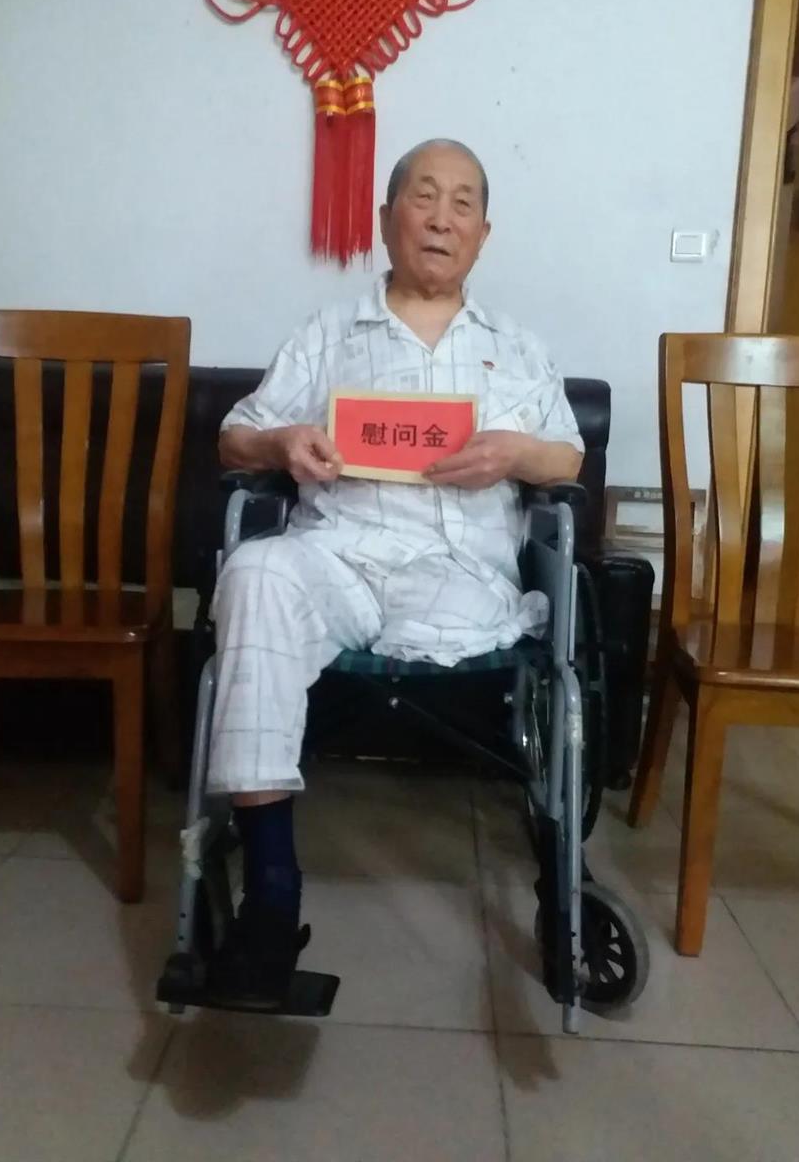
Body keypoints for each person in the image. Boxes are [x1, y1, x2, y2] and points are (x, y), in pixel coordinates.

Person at [210, 139, 584, 1000]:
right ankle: (271, 901)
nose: (441, 219)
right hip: (338, 557)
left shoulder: (517, 349)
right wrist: (282, 442)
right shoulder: (328, 333)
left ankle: (557, 877)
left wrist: (516, 454)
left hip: (461, 578)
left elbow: (566, 460)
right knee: (256, 574)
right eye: (423, 197)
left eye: (462, 203)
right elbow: (235, 436)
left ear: (483, 233)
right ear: (387, 219)